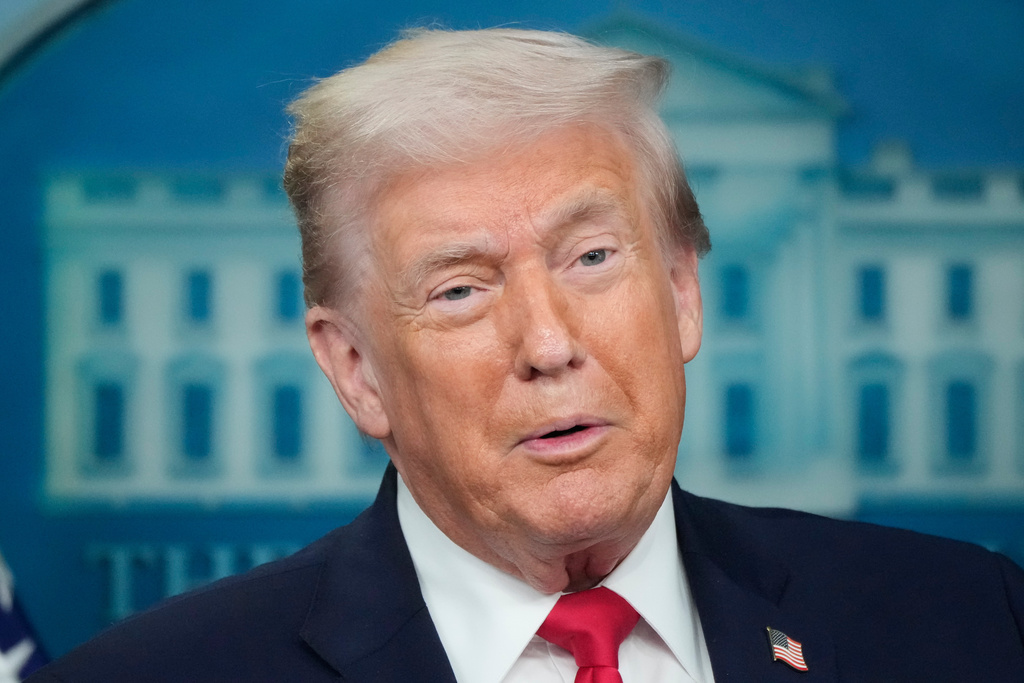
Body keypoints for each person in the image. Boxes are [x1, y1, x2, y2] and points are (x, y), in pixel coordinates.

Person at [29, 27, 1024, 683]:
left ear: (682, 292)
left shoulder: (969, 624)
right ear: (356, 369)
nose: (549, 344)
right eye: (461, 289)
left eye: (592, 257)